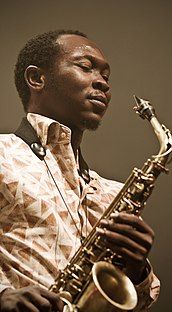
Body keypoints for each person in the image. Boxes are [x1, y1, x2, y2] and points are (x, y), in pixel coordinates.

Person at [0, 30, 160, 311]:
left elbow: (139, 304)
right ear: (37, 78)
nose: (103, 83)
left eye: (106, 77)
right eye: (86, 67)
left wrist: (137, 270)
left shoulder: (113, 194)